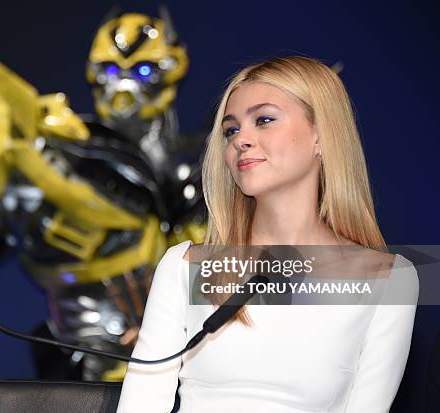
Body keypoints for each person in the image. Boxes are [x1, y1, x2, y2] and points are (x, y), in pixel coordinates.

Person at [116, 56, 419, 412]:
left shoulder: (391, 279)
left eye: (264, 120)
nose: (241, 139)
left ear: (322, 135)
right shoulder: (183, 266)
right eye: (231, 130)